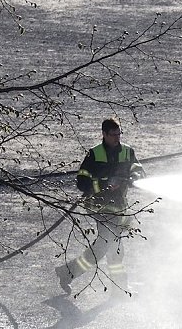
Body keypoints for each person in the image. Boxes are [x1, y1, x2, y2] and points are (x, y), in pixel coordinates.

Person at [55, 117, 145, 294]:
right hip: (99, 207)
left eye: (119, 134)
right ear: (104, 134)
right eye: (113, 135)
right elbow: (82, 183)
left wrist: (133, 178)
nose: (117, 138)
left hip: (120, 207)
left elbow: (139, 171)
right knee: (113, 248)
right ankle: (119, 289)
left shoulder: (127, 151)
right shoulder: (94, 154)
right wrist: (104, 185)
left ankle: (68, 272)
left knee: (106, 247)